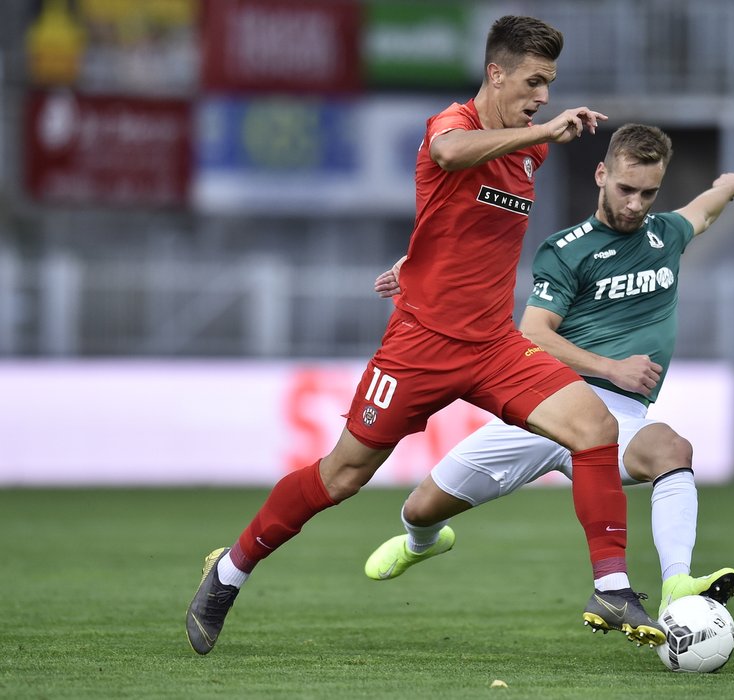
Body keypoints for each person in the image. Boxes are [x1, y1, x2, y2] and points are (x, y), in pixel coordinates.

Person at [186, 15, 665, 656]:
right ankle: (228, 573)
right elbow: (443, 159)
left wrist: (415, 262)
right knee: (341, 476)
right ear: (496, 73)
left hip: (495, 346)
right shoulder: (455, 125)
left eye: (549, 84)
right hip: (419, 346)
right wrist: (542, 129)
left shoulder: (530, 148)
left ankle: (610, 585)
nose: (544, 96)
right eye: (534, 81)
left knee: (594, 427)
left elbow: (454, 223)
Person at [363, 124, 734, 618]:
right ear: (601, 174)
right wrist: (612, 367)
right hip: (549, 404)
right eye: (625, 189)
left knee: (672, 449)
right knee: (420, 510)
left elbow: (703, 210)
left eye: (648, 192)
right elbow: (533, 333)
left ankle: (677, 584)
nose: (636, 204)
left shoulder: (666, 235)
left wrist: (729, 187)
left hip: (617, 418)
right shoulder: (568, 249)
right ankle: (421, 545)